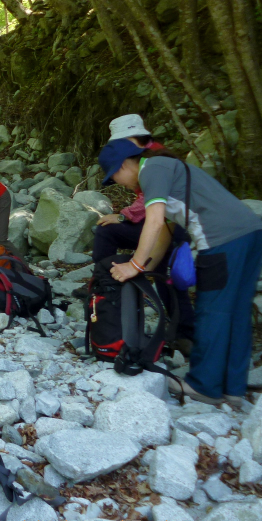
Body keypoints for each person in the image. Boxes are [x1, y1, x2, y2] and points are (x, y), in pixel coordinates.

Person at [99, 139, 262, 407]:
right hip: (251, 235)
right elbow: (165, 230)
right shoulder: (167, 167)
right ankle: (233, 388)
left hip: (222, 242)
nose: (119, 183)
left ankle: (204, 386)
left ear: (122, 165)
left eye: (114, 176)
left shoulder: (151, 170)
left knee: (213, 313)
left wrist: (135, 265)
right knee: (237, 312)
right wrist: (147, 270)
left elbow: (152, 222)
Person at [91, 114, 194, 348]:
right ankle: (106, 287)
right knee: (107, 232)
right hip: (160, 223)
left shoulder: (155, 159)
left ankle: (185, 333)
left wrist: (123, 216)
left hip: (168, 226)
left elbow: (153, 210)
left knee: (166, 274)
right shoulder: (145, 157)